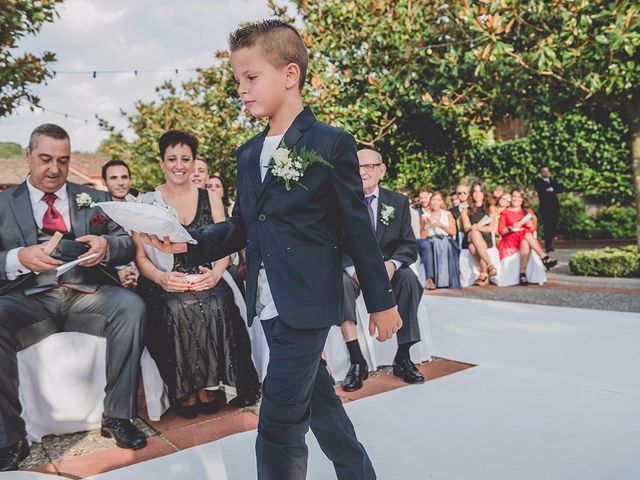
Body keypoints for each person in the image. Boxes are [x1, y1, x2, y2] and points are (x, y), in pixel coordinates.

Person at [143, 19, 402, 480]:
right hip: (266, 301)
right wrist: (186, 240)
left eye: (250, 78)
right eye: (237, 80)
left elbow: (357, 230)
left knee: (279, 423)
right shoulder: (247, 153)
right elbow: (243, 225)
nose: (241, 90)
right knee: (319, 402)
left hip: (308, 300)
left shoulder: (331, 142)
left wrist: (381, 302)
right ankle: (358, 472)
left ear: (289, 75)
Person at [0, 124, 148, 471]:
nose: (54, 169)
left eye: (63, 161)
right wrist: (16, 258)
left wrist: (107, 245)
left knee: (131, 307)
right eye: (46, 159)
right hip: (28, 300)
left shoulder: (92, 198)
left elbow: (126, 240)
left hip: (86, 296)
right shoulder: (4, 204)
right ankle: (9, 436)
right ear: (28, 155)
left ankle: (118, 415)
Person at [133, 130, 260, 419]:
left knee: (216, 301)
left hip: (207, 273)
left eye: (185, 159)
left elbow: (227, 241)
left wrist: (216, 274)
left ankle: (212, 385)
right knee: (174, 307)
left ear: (193, 163)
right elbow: (140, 257)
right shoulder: (146, 202)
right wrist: (162, 279)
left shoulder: (210, 197)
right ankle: (186, 389)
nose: (179, 165)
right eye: (172, 159)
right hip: (165, 278)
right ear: (162, 162)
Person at [341, 150, 424, 393]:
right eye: (357, 167)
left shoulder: (398, 202)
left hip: (388, 268)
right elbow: (335, 244)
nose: (363, 171)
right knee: (340, 285)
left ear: (382, 169)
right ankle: (357, 360)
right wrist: (353, 270)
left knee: (409, 279)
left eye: (368, 166)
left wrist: (393, 264)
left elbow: (408, 244)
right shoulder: (342, 201)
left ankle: (403, 356)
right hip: (354, 270)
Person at [498, 189, 558, 285]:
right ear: (511, 198)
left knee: (525, 238)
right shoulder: (505, 212)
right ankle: (543, 256)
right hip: (510, 238)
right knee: (525, 234)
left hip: (524, 239)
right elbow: (501, 231)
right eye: (514, 196)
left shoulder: (527, 211)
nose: (516, 199)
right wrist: (512, 228)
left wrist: (530, 225)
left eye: (519, 197)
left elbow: (533, 229)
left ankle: (522, 274)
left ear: (522, 199)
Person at [101, 159, 138, 289]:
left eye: (124, 177)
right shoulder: (96, 212)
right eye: (114, 178)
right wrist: (117, 274)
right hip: (112, 279)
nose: (120, 183)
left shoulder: (142, 207)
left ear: (130, 180)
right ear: (104, 182)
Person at [418, 191, 461, 290]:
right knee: (428, 245)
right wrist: (426, 226)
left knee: (447, 245)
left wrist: (440, 225)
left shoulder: (447, 214)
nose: (435, 202)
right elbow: (422, 236)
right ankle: (430, 279)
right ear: (430, 201)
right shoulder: (425, 216)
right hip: (431, 241)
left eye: (438, 200)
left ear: (442, 202)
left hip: (446, 240)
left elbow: (453, 231)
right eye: (433, 200)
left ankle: (448, 279)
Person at [461, 181, 498, 286]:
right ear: (472, 194)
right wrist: (473, 228)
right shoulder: (465, 210)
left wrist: (478, 227)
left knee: (473, 247)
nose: (477, 194)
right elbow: (467, 227)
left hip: (485, 237)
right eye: (475, 192)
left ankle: (484, 273)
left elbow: (490, 228)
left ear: (484, 193)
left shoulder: (490, 208)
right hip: (469, 236)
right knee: (474, 233)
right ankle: (490, 265)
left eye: (480, 191)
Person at [533, 166, 565, 252]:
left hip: (554, 207)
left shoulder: (553, 181)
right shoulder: (538, 181)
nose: (546, 173)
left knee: (553, 225)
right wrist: (547, 190)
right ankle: (547, 245)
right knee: (547, 226)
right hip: (545, 207)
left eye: (547, 171)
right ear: (541, 173)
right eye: (544, 171)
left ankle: (550, 243)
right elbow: (540, 190)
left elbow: (561, 188)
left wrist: (553, 189)